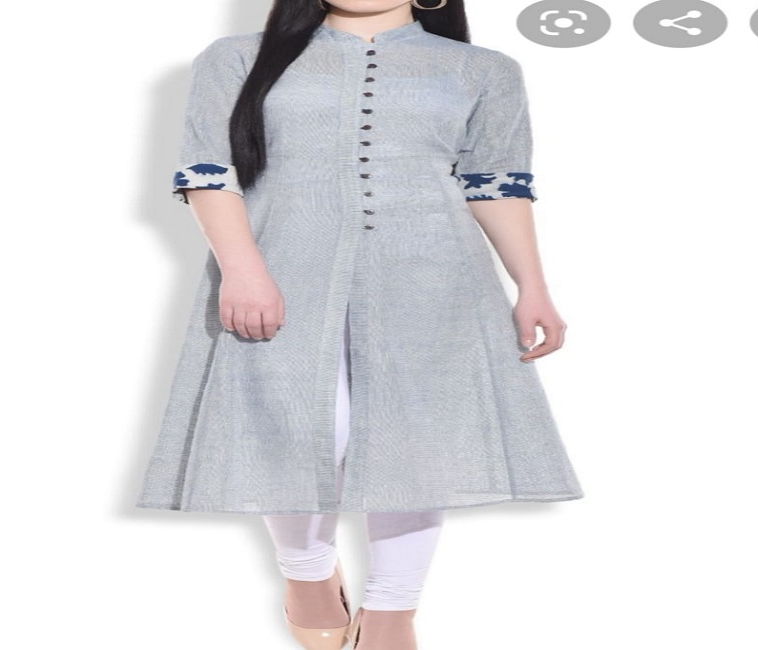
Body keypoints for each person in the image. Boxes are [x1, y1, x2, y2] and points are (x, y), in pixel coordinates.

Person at [136, 1, 585, 648]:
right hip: (284, 262)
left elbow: (494, 184)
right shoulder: (236, 59)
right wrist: (242, 268)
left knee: (415, 440)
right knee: (292, 423)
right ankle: (307, 570)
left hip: (433, 273)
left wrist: (532, 286)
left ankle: (393, 607)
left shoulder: (483, 70)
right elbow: (208, 170)